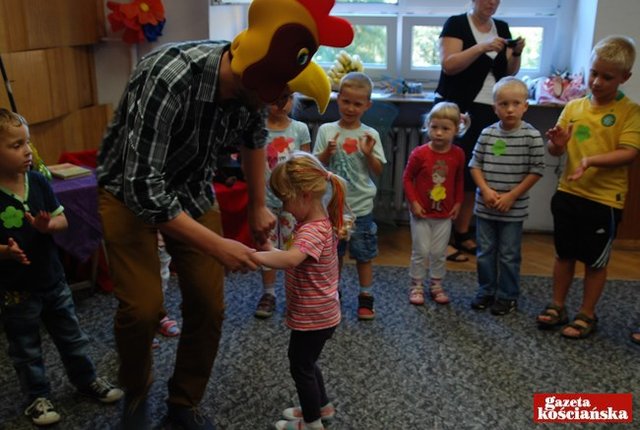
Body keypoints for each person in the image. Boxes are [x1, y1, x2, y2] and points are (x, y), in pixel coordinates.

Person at [95, 0, 354, 427]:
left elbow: (253, 139)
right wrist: (218, 245)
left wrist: (257, 205)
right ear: (251, 72)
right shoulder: (169, 76)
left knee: (208, 304)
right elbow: (145, 189)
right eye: (274, 95)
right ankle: (137, 393)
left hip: (192, 191)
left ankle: (184, 402)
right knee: (141, 309)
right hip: (128, 190)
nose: (275, 103)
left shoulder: (256, 85)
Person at [0, 109, 123, 427]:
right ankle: (37, 398)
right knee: (26, 349)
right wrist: (5, 252)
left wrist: (48, 226)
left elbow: (63, 220)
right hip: (17, 291)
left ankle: (86, 380)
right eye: (16, 145)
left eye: (27, 142)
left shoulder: (39, 182)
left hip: (53, 280)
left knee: (72, 337)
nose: (28, 151)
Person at [536, 35, 640, 339]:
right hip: (568, 194)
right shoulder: (573, 107)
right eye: (594, 73)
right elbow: (556, 150)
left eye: (607, 77)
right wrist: (557, 145)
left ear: (624, 78)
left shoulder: (630, 112)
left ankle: (587, 313)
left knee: (594, 262)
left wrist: (590, 161)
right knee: (564, 254)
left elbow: (629, 153)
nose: (596, 82)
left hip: (604, 200)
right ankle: (558, 305)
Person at [251, 152, 345, 430]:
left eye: (285, 200)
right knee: (308, 362)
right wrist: (268, 249)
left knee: (300, 366)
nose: (285, 208)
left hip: (313, 316)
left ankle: (312, 423)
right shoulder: (317, 223)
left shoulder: (312, 230)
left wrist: (252, 256)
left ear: (304, 195)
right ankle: (321, 407)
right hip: (321, 312)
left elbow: (291, 259)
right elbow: (293, 256)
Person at [436, 0, 525, 262]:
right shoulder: (456, 23)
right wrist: (482, 47)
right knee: (448, 171)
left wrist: (516, 53)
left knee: (474, 172)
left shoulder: (502, 28)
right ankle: (441, 236)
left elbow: (508, 73)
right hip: (458, 108)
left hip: (490, 110)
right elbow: (449, 64)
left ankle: (462, 232)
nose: (492, 3)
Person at [468, 77, 545, 315]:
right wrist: (485, 190)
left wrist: (512, 196)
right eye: (503, 104)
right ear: (495, 107)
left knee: (509, 255)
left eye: (515, 103)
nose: (510, 109)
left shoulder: (532, 136)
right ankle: (486, 291)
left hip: (513, 208)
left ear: (525, 106)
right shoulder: (487, 133)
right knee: (485, 252)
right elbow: (475, 165)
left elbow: (536, 170)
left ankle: (507, 295)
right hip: (486, 206)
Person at [314, 72, 387, 321]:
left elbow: (378, 170)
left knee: (364, 255)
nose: (351, 108)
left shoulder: (370, 135)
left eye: (358, 104)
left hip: (360, 208)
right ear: (338, 99)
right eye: (346, 101)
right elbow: (316, 166)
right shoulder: (326, 130)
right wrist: (326, 153)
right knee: (333, 255)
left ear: (367, 105)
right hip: (331, 207)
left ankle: (366, 296)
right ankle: (332, 294)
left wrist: (368, 154)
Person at [402, 102, 467, 306]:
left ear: (456, 129)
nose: (438, 133)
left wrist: (458, 202)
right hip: (421, 213)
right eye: (434, 127)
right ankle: (417, 285)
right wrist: (413, 202)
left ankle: (436, 284)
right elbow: (407, 179)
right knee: (420, 251)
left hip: (444, 214)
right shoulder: (419, 153)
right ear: (427, 126)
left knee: (439, 252)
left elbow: (459, 180)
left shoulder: (458, 154)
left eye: (445, 128)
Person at [255, 93, 311, 319]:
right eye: (274, 98)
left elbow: (306, 166)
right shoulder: (257, 128)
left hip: (293, 204)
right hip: (265, 202)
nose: (279, 104)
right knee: (267, 247)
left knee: (292, 248)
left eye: (285, 98)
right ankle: (269, 293)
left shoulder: (300, 129)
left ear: (293, 100)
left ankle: (294, 293)